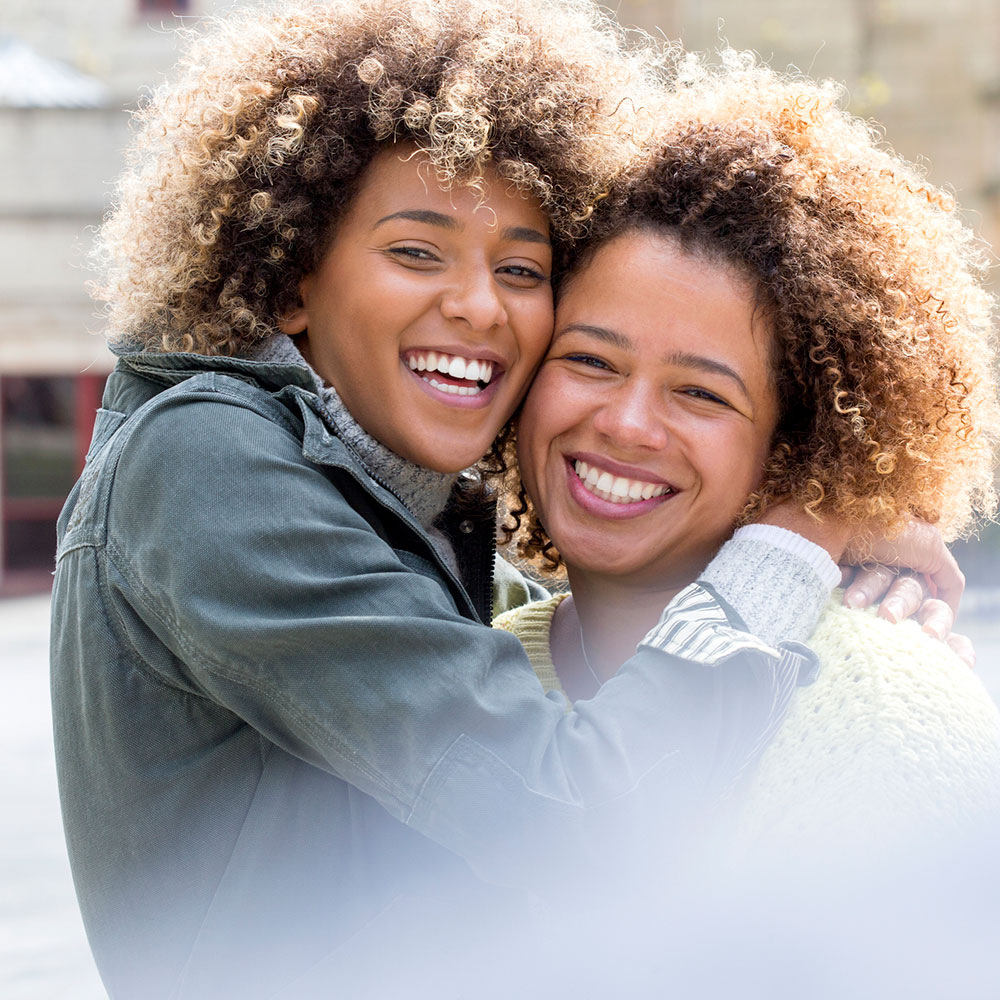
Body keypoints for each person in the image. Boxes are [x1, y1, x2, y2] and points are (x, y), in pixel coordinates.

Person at [49, 4, 970, 996]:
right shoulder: (206, 459)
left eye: (523, 270)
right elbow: (575, 818)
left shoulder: (383, 496)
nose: (480, 307)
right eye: (415, 251)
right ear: (290, 284)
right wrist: (794, 539)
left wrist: (839, 505)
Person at [497, 56, 1000, 860]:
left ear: (795, 449)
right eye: (590, 360)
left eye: (701, 394)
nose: (627, 425)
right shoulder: (463, 660)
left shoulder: (887, 717)